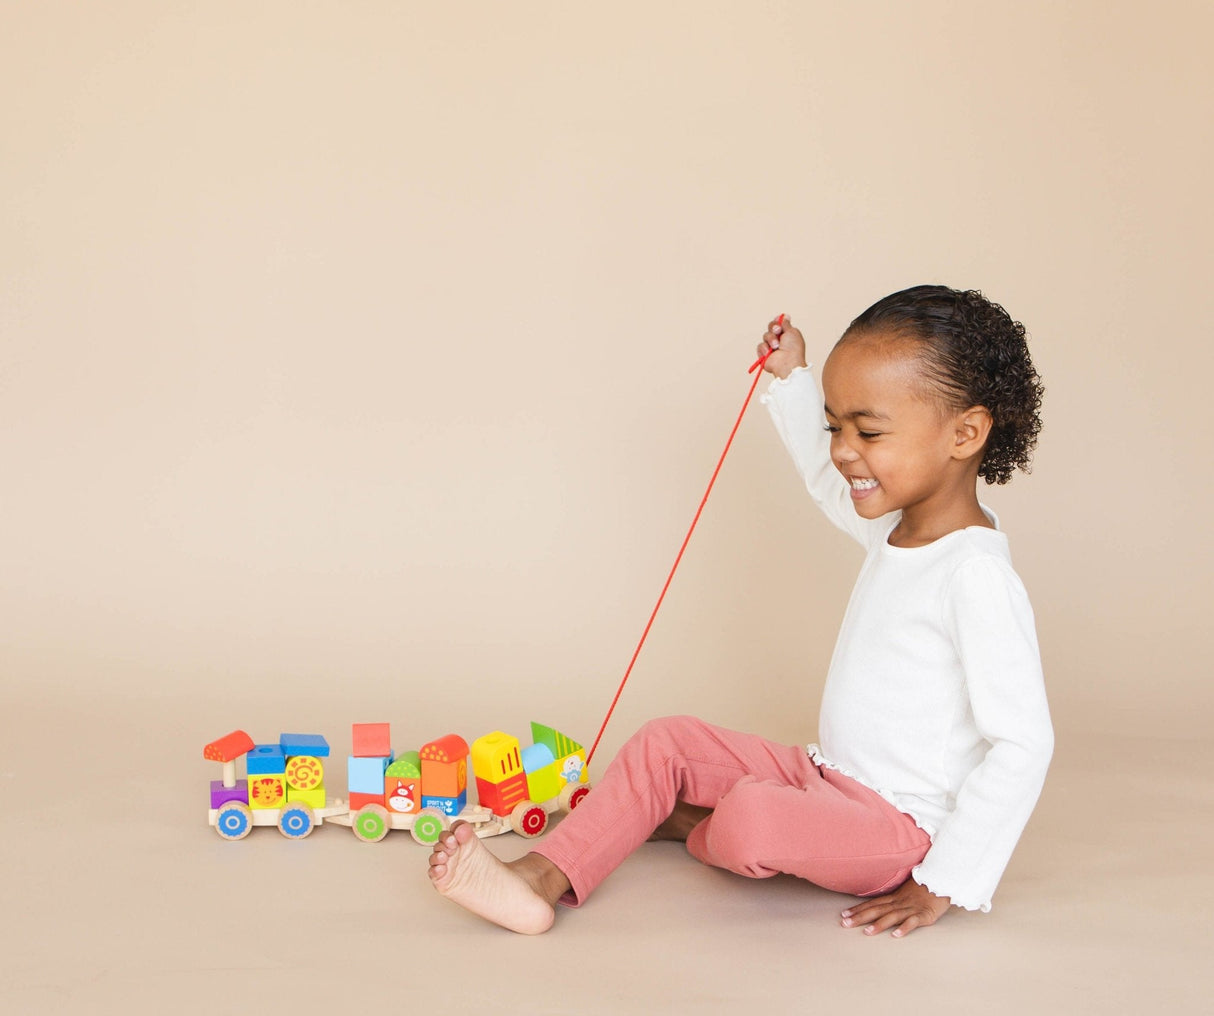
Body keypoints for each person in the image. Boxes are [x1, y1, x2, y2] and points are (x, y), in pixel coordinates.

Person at [427, 286, 1055, 937]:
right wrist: (791, 379)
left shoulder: (975, 575)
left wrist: (941, 883)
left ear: (966, 433)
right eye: (834, 427)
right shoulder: (893, 525)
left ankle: (684, 822)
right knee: (664, 741)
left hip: (898, 828)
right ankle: (538, 877)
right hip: (825, 775)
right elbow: (825, 477)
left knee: (755, 816)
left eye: (867, 431)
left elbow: (1024, 744)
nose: (843, 449)